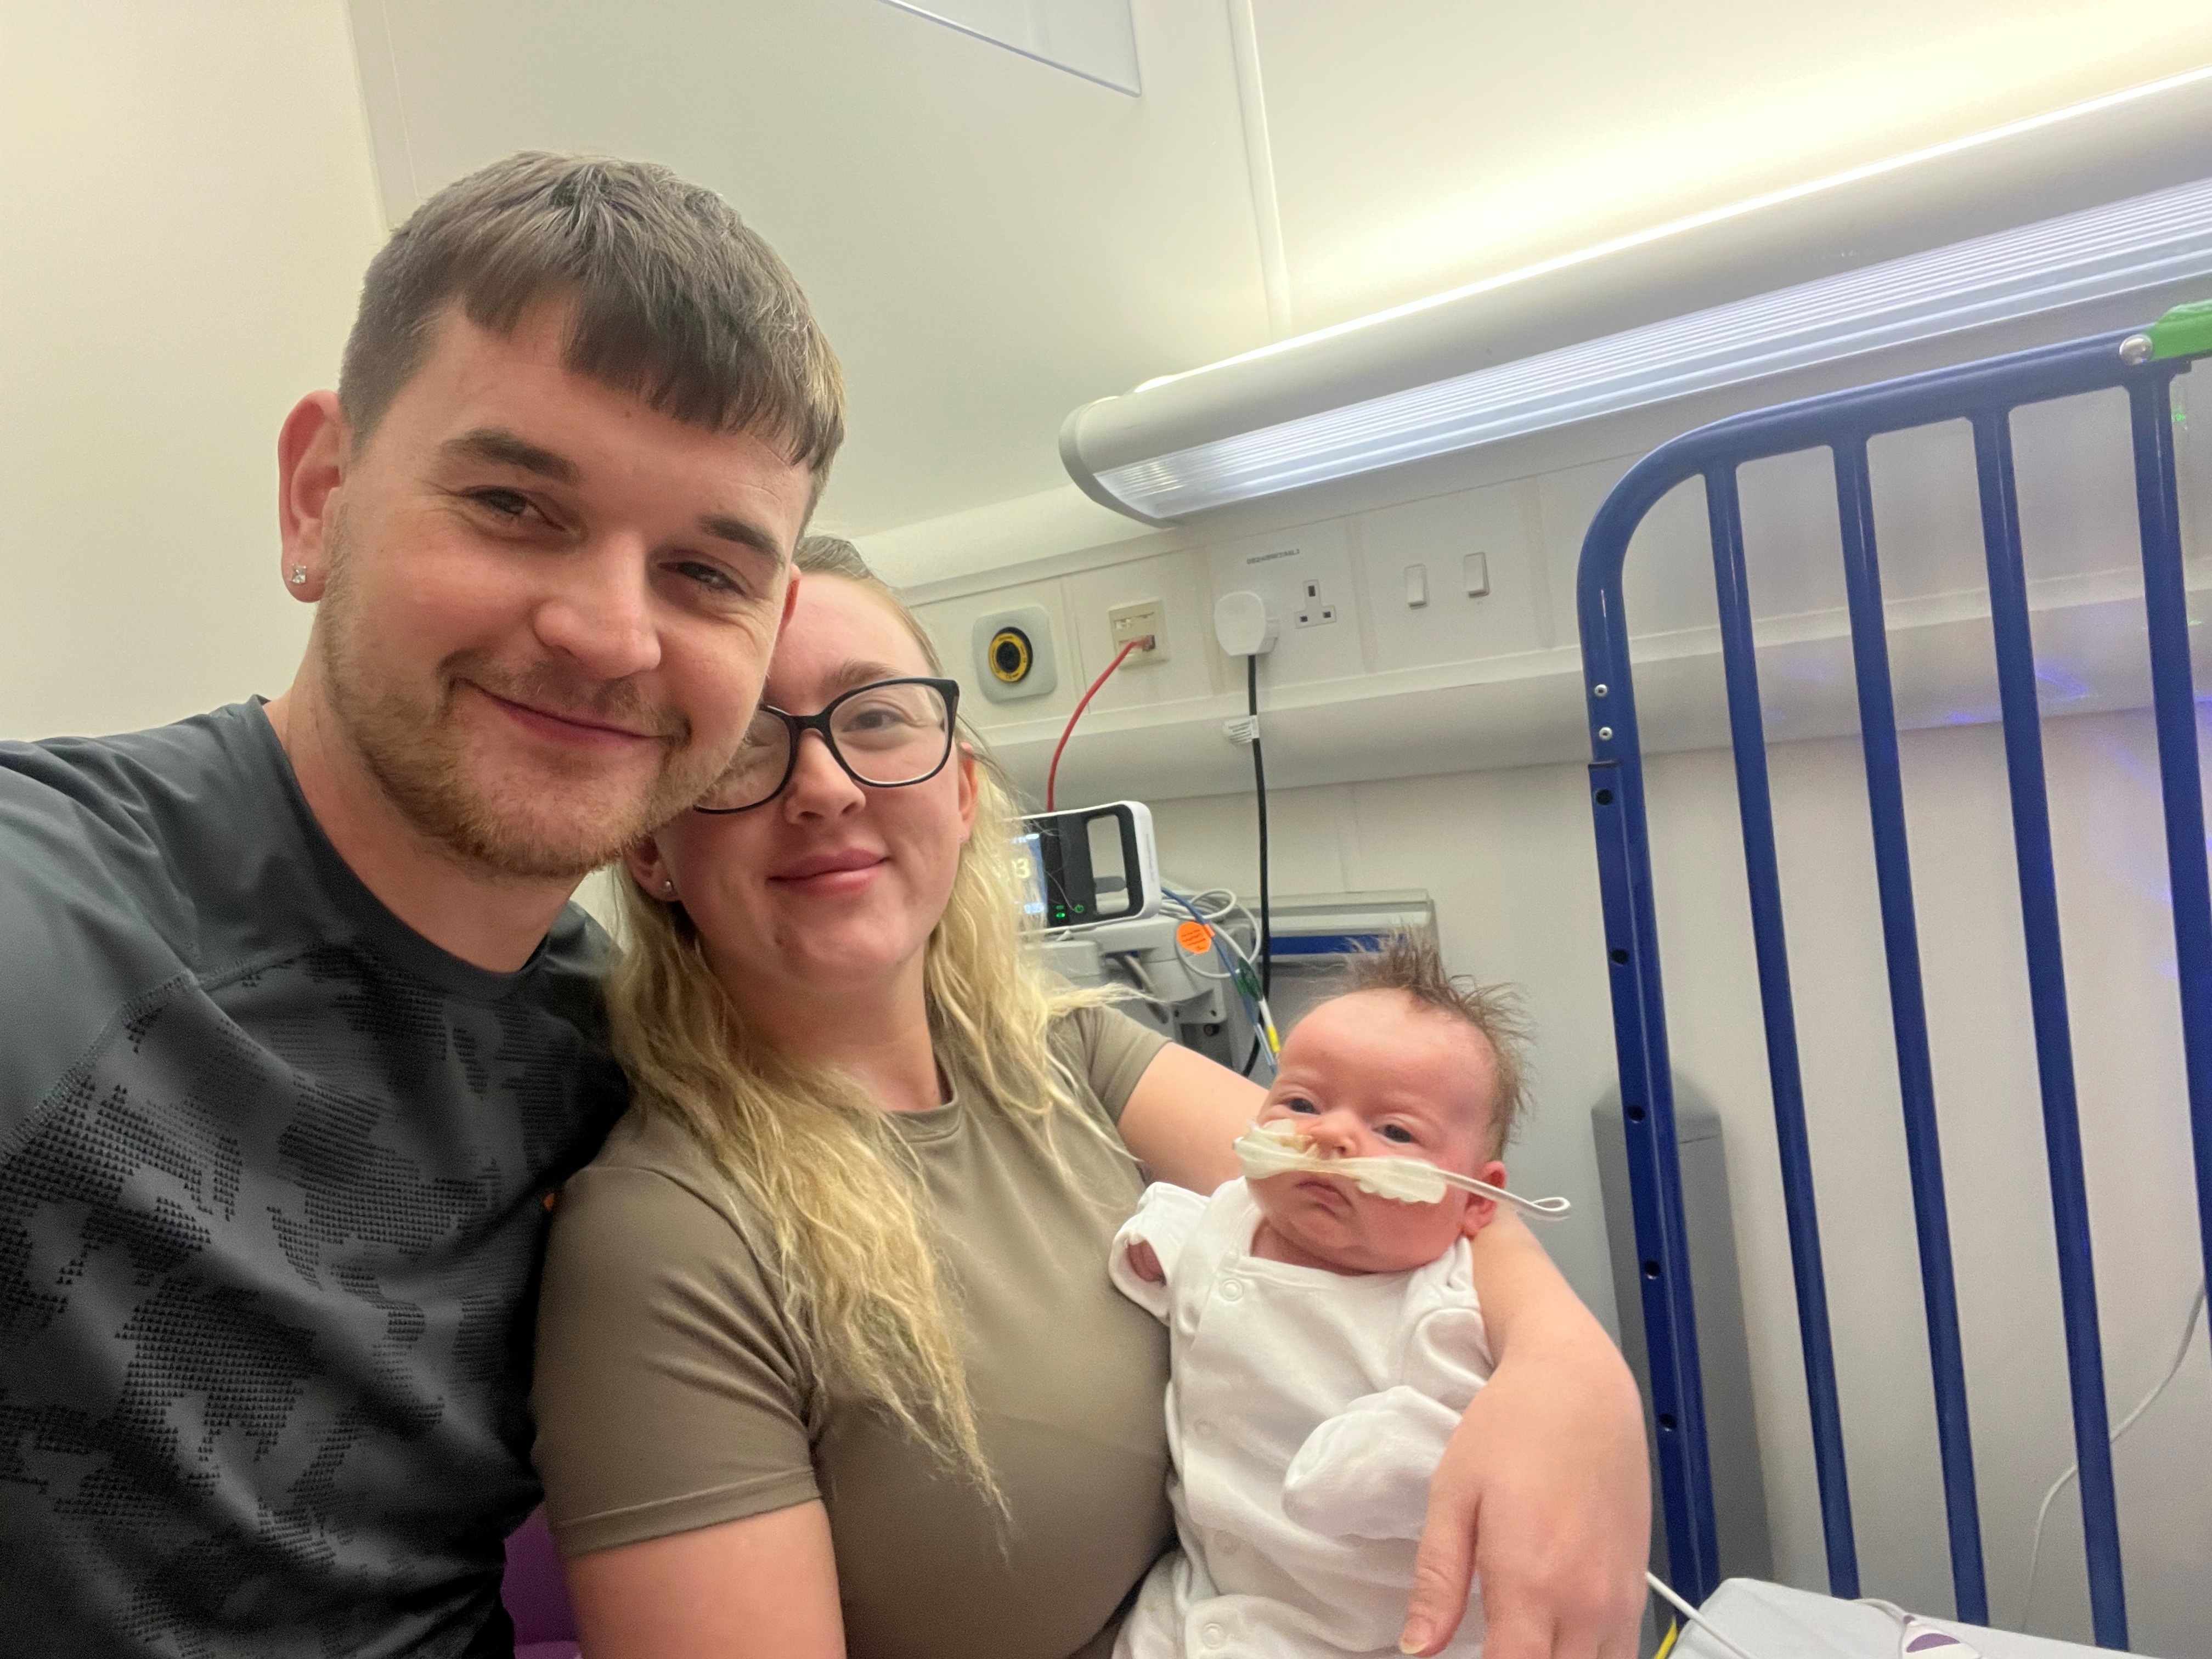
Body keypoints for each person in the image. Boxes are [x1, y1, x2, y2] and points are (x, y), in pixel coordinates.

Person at [0, 151, 840, 1657]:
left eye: (707, 571)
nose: (606, 633)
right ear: (320, 499)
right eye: (516, 503)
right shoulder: (49, 923)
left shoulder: (627, 1063)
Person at [531, 539, 1652, 1659]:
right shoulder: (667, 1240)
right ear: (649, 848)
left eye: (875, 718)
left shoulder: (1066, 1057)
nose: (825, 787)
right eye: (742, 742)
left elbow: (1398, 1189)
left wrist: (1569, 1376)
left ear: (961, 790)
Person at [1108, 936, 1544, 1658]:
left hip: (1352, 1630)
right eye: (1302, 1103)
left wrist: (1397, 1460)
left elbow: (1490, 1463)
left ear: (1475, 1200)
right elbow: (1190, 1236)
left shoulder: (1439, 1312)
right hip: (1203, 1596)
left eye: (1394, 1130)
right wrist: (1151, 1251)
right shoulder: (1235, 1215)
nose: (1332, 1135)